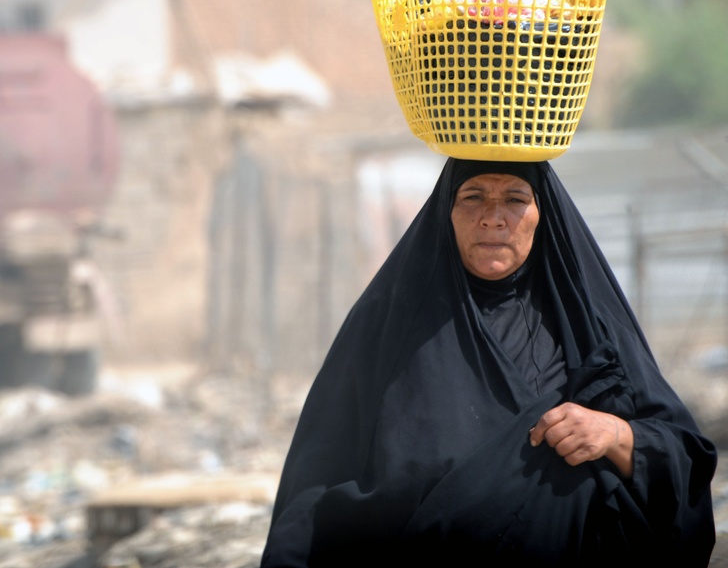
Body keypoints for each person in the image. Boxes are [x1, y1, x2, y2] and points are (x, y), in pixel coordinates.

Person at [260, 158, 717, 567]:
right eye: (473, 196)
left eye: (515, 199)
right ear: (446, 212)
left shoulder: (588, 326)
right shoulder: (388, 323)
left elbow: (683, 457)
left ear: (544, 216)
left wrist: (616, 435)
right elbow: (315, 479)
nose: (493, 218)